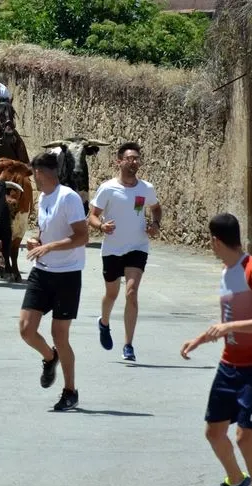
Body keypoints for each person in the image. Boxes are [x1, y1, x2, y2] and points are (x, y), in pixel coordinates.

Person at [180, 213, 252, 486]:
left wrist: (230, 326)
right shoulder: (226, 272)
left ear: (215, 240)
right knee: (213, 432)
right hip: (230, 364)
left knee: (244, 438)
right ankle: (236, 480)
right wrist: (201, 338)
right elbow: (228, 320)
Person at [18, 151, 88, 411]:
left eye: (33, 173)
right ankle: (50, 358)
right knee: (26, 329)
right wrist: (37, 242)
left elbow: (82, 237)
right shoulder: (43, 198)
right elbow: (44, 232)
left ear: (40, 172)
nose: (33, 178)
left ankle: (70, 391)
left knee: (60, 335)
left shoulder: (68, 197)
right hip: (42, 272)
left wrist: (50, 247)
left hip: (67, 274)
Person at [88, 142, 162, 361]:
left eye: (137, 158)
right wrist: (101, 226)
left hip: (137, 246)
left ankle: (128, 345)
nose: (134, 162)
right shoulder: (108, 188)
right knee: (112, 294)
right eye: (129, 158)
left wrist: (156, 225)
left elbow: (156, 207)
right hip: (112, 248)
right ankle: (104, 322)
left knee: (131, 292)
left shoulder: (145, 188)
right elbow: (92, 216)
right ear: (118, 161)